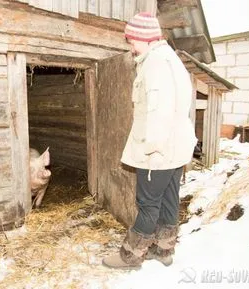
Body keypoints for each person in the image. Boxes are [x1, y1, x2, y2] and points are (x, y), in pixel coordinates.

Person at [102, 12, 197, 270]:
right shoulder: (171, 59)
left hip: (160, 149)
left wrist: (151, 148)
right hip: (176, 148)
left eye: (132, 39)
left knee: (147, 203)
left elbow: (159, 109)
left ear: (144, 38)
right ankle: (164, 249)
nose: (130, 45)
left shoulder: (155, 62)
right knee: (168, 198)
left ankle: (131, 255)